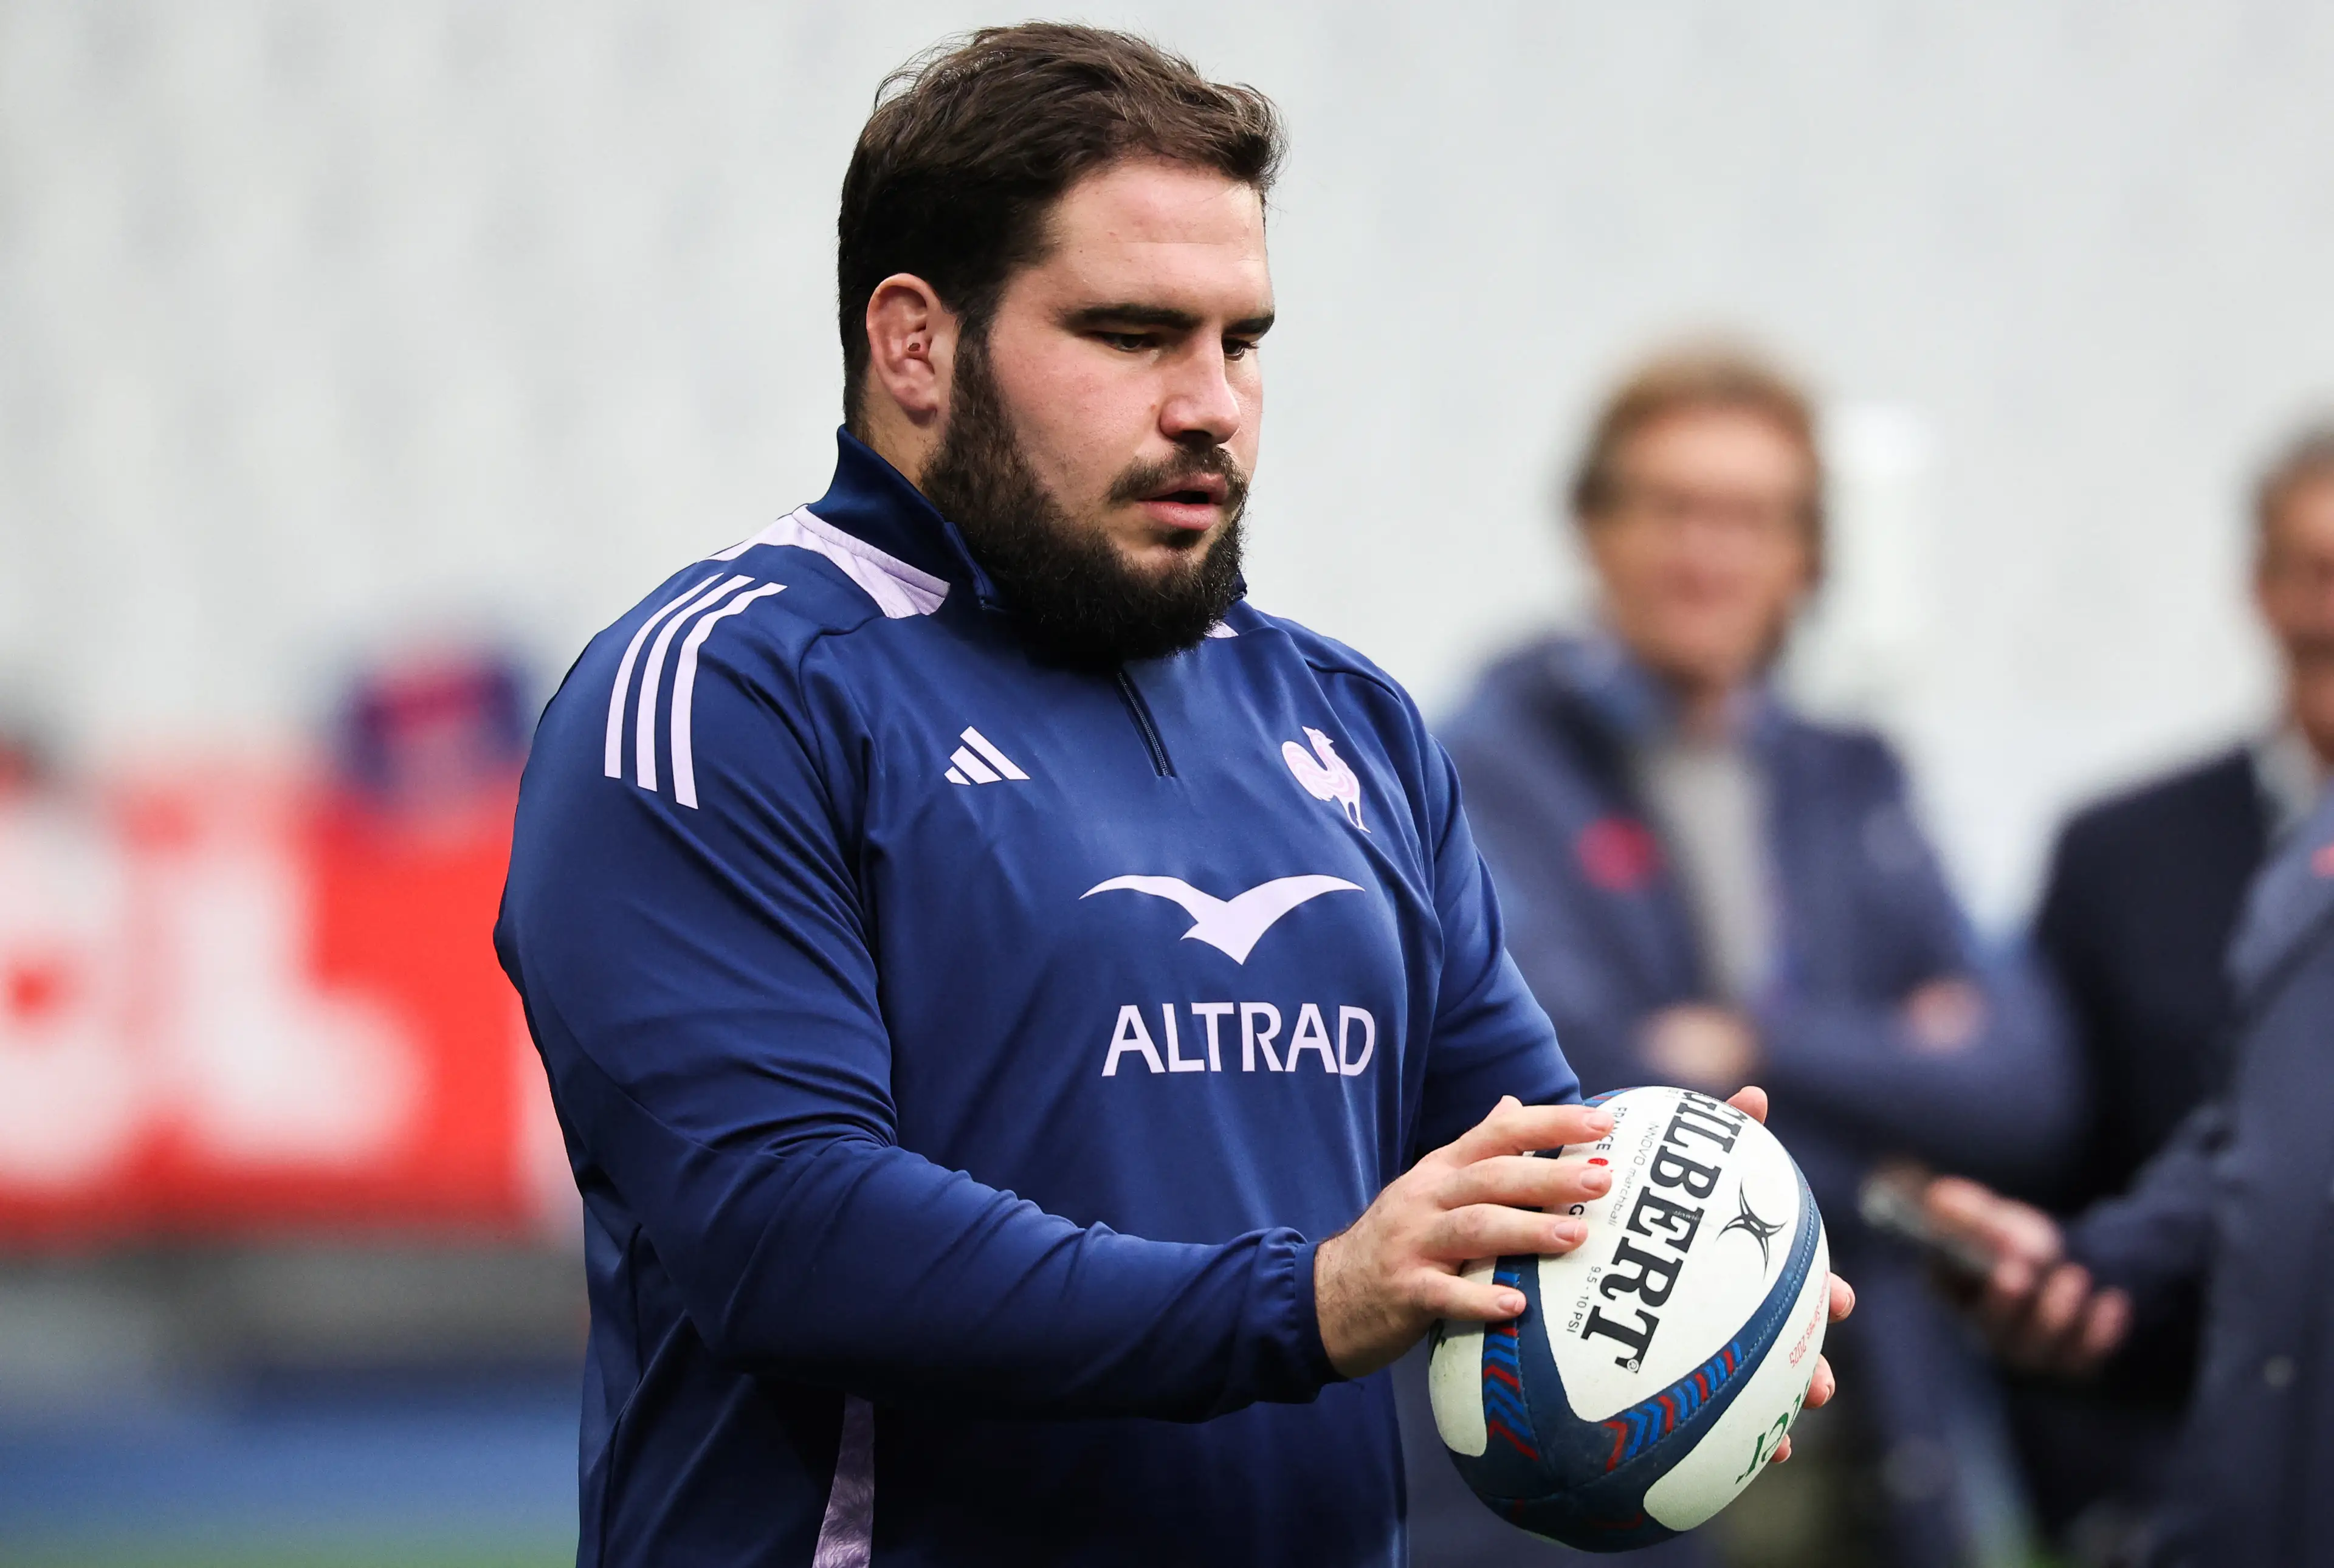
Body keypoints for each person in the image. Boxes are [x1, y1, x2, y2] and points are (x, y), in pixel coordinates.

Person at [494, 27, 1847, 1568]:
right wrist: (1310, 1301)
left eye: (1240, 341)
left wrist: (1695, 1271)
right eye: (1134, 335)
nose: (1211, 404)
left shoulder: (1348, 722)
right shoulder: (722, 694)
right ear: (917, 344)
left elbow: (1521, 1180)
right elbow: (786, 1235)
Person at [1419, 349, 2070, 1568]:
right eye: (1671, 507)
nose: (1707, 554)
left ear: (1807, 556)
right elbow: (1581, 1086)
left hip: (1869, 1451)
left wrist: (1756, 1044)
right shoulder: (1476, 766)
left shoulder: (1853, 776)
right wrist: (1889, 1134)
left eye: (1751, 517)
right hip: (1596, 1452)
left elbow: (2023, 1082)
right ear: (1593, 527)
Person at [1924, 422, 2334, 1567]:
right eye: (2317, 570)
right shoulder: (2248, 874)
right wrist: (2091, 1266)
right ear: (2259, 588)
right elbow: (2249, 1149)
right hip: (2204, 1491)